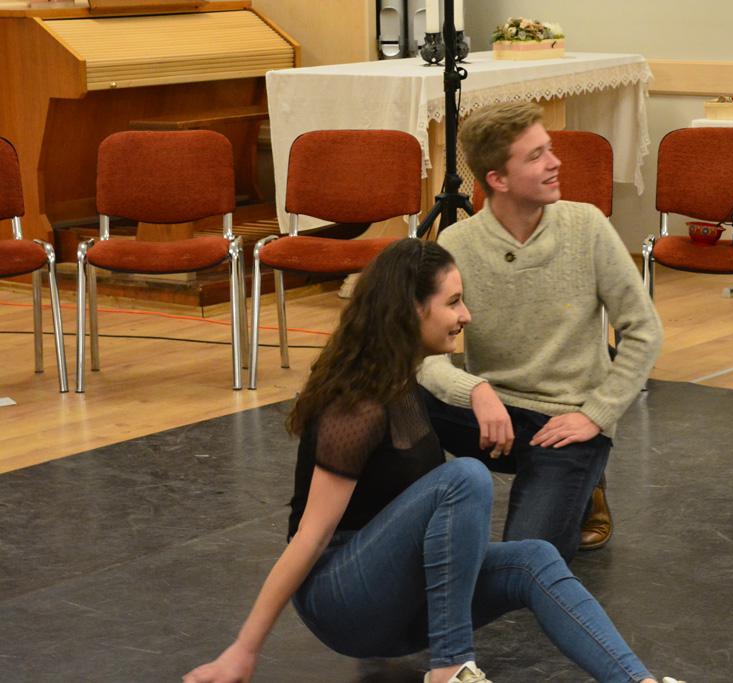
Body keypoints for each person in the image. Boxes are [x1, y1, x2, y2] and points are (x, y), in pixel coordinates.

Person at [182, 238, 681, 683]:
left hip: (399, 598)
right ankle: (450, 667)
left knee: (534, 558)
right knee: (464, 477)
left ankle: (637, 682)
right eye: (454, 302)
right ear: (411, 310)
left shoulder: (406, 383)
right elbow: (310, 538)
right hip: (340, 598)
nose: (466, 316)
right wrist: (243, 650)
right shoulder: (355, 406)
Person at [419, 102, 663, 561]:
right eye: (536, 156)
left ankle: (586, 482)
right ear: (498, 179)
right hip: (492, 417)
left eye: (549, 149)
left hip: (567, 422)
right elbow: (421, 354)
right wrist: (475, 390)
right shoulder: (457, 243)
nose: (555, 163)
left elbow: (644, 330)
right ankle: (412, 519)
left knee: (523, 560)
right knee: (392, 398)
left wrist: (597, 415)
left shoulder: (586, 226)